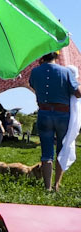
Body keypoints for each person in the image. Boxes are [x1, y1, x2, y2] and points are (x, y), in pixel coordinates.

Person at [29, 52, 81, 191]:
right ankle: (57, 184)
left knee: (46, 152)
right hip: (63, 114)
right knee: (61, 150)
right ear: (57, 56)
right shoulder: (66, 71)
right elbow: (78, 93)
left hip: (44, 113)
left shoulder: (35, 71)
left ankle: (47, 187)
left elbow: (33, 85)